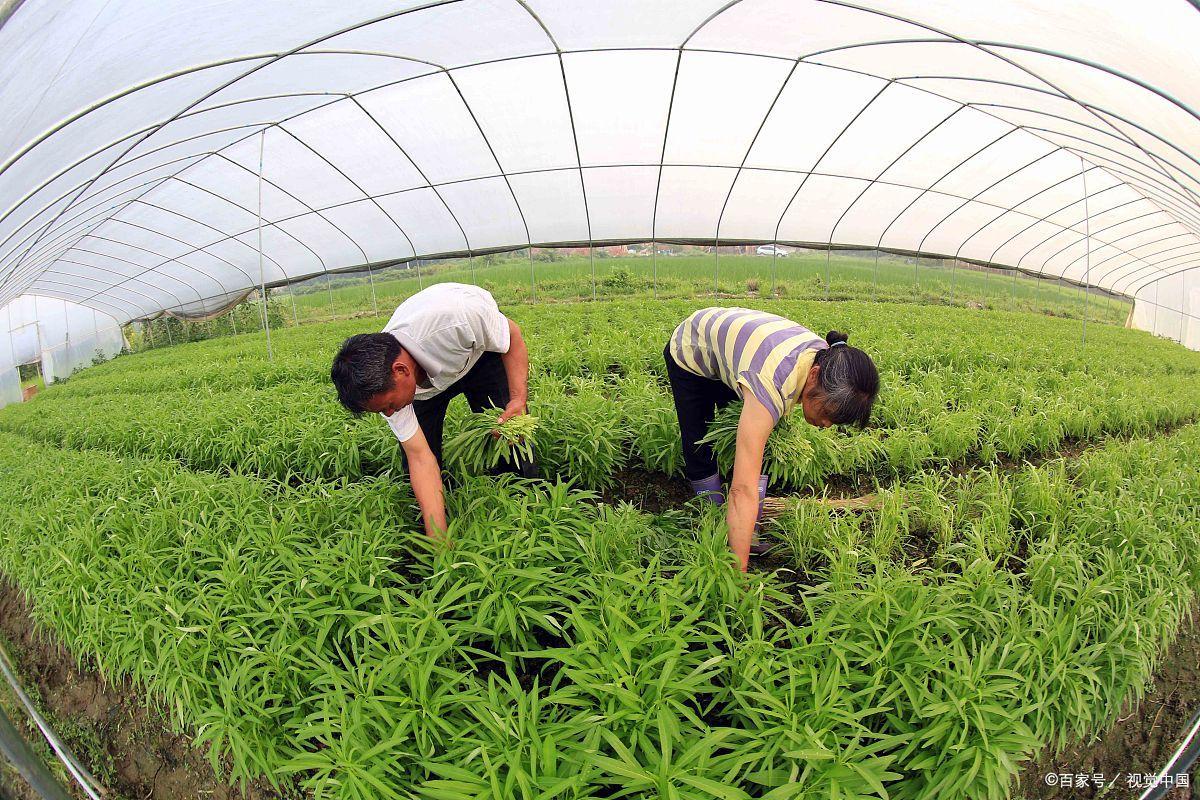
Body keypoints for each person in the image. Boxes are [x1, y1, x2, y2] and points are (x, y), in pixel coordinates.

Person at [664, 307, 879, 571]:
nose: (826, 424)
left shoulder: (829, 357)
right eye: (827, 414)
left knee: (748, 443)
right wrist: (737, 575)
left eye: (835, 422)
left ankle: (743, 527)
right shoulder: (770, 384)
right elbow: (743, 489)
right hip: (693, 348)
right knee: (700, 438)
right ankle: (711, 519)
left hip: (741, 353)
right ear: (814, 375)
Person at [330, 282, 535, 541]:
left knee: (509, 436)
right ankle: (437, 523)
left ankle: (524, 509)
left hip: (476, 353)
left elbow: (512, 337)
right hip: (424, 383)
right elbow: (420, 458)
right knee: (416, 464)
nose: (390, 413)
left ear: (401, 370)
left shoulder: (459, 318)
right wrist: (438, 541)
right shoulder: (380, 389)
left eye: (389, 407)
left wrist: (518, 400)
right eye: (383, 411)